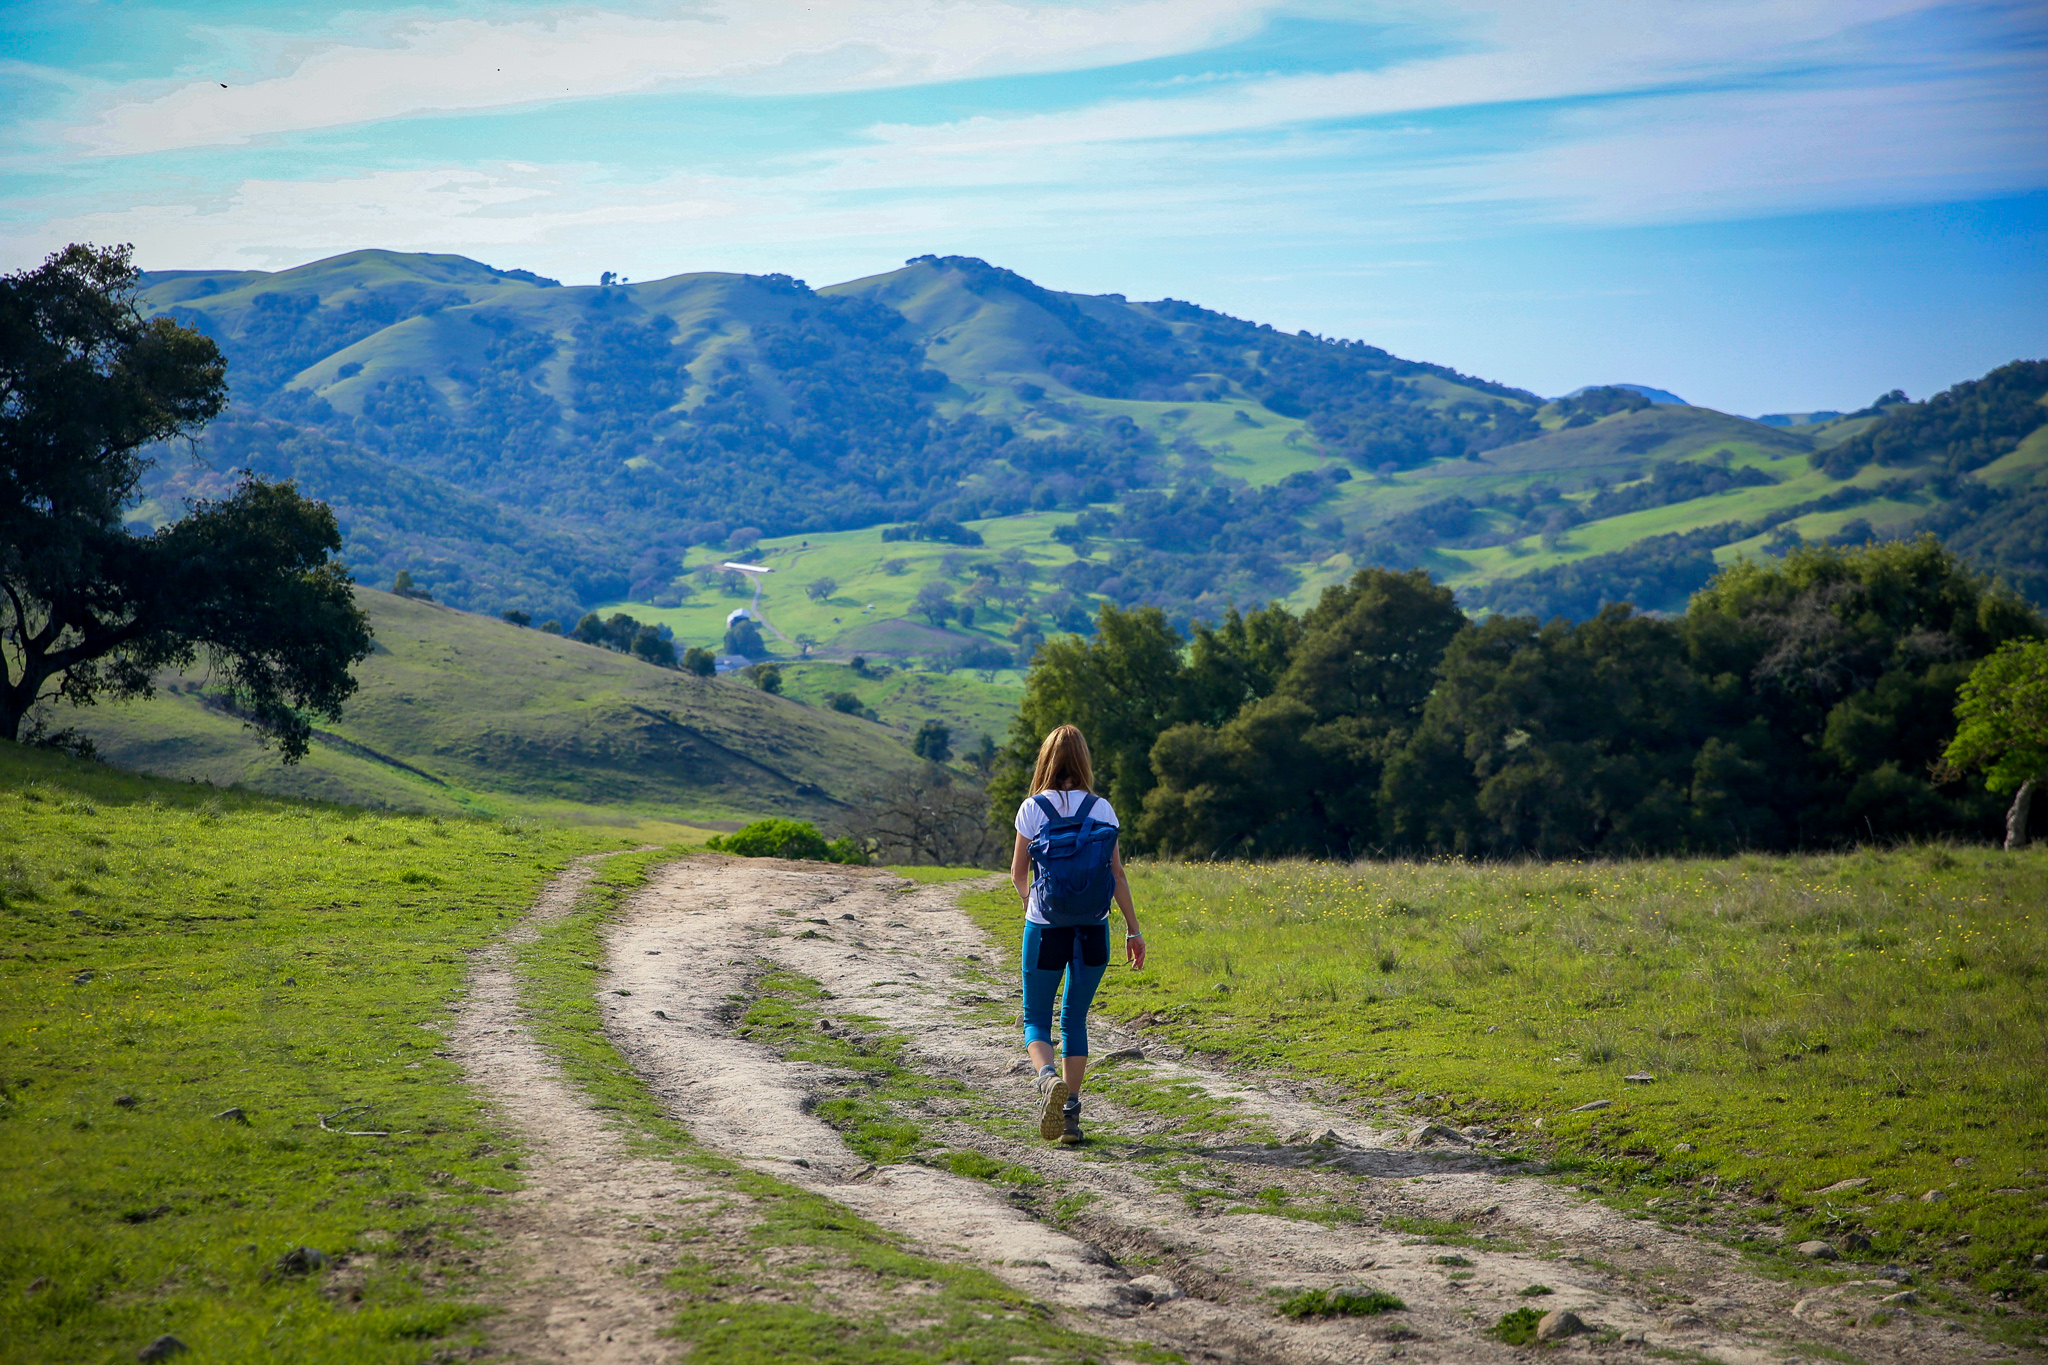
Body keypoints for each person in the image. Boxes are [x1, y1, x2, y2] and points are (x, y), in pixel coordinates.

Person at [1010, 724, 1145, 1145]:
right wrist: (1134, 931)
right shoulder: (1102, 809)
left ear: (1045, 760)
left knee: (1036, 1018)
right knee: (1075, 1018)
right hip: (1094, 928)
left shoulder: (1032, 808)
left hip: (1046, 927)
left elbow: (1017, 875)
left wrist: (1036, 907)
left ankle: (1047, 1078)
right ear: (1084, 760)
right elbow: (1117, 874)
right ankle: (1070, 1116)